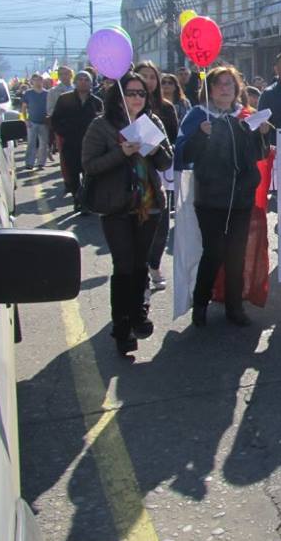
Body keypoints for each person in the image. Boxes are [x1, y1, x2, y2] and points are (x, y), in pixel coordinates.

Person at [81, 71, 172, 355]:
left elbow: (166, 161)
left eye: (141, 93)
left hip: (149, 203)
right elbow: (89, 165)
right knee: (124, 265)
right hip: (117, 206)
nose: (137, 98)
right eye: (131, 93)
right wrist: (121, 152)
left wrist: (155, 150)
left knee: (140, 263)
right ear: (118, 96)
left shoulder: (152, 121)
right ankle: (122, 327)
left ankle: (138, 314)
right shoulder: (102, 125)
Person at [177, 65, 270, 327]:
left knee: (236, 255)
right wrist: (200, 135)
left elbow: (259, 155)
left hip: (241, 199)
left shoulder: (246, 115)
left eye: (229, 83)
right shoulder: (197, 115)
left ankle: (234, 307)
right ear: (209, 89)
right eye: (219, 84)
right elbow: (183, 155)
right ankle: (200, 304)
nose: (224, 88)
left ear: (237, 88)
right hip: (210, 199)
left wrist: (262, 135)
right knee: (213, 253)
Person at [136, 61, 179, 291]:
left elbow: (172, 142)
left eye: (153, 77)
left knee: (160, 227)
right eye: (143, 76)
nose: (149, 81)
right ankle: (140, 276)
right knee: (136, 230)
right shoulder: (121, 111)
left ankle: (154, 265)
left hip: (159, 175)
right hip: (130, 181)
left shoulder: (165, 109)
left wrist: (156, 148)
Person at [50, 69, 103, 211]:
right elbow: (55, 120)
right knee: (73, 174)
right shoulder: (64, 99)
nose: (83, 82)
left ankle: (85, 201)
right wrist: (64, 133)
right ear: (75, 82)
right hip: (71, 143)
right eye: (80, 79)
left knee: (89, 174)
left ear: (91, 83)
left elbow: (103, 122)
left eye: (87, 80)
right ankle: (77, 198)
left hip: (91, 145)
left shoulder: (97, 102)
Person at [22, 73, 49, 170]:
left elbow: (50, 108)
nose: (38, 82)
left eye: (40, 80)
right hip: (32, 122)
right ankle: (29, 163)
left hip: (44, 123)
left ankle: (41, 163)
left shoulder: (47, 93)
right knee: (31, 143)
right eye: (36, 80)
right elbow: (24, 108)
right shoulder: (28, 93)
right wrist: (25, 120)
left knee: (43, 144)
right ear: (32, 81)